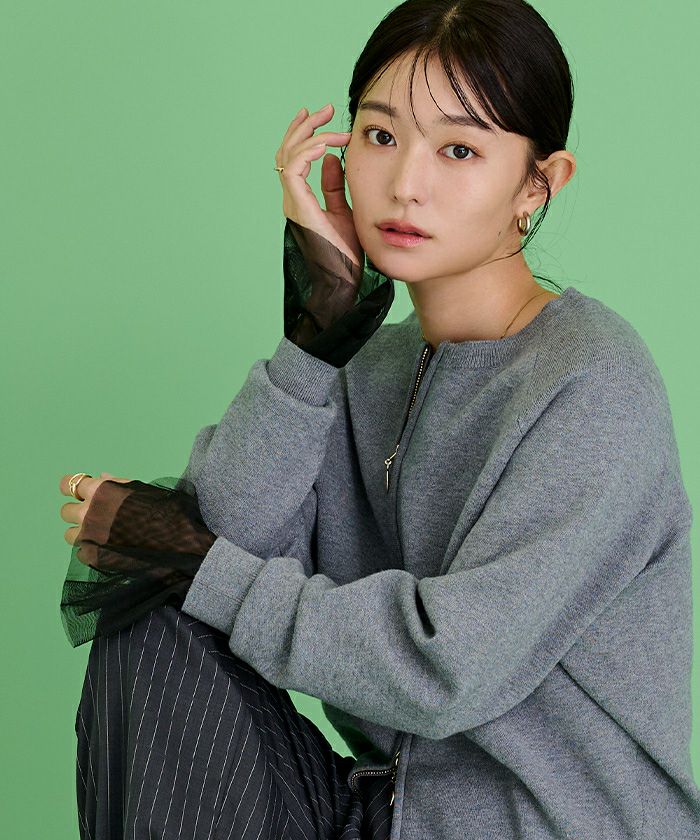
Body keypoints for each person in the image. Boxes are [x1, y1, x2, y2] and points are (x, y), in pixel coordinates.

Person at [58, 0, 700, 838]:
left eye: (459, 149)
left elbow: (446, 671)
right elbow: (221, 539)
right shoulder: (367, 365)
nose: (405, 185)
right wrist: (311, 342)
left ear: (538, 184)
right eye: (381, 135)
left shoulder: (591, 381)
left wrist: (195, 561)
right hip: (381, 815)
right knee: (150, 615)